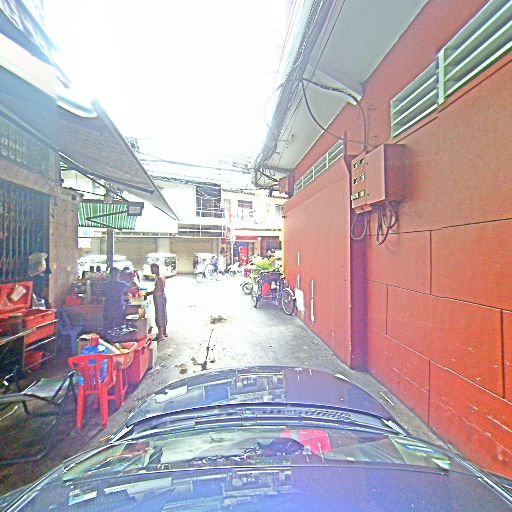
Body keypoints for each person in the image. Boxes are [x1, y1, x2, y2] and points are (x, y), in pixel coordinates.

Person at [145, 263, 167, 341]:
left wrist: (148, 293)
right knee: (163, 314)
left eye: (152, 269)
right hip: (161, 297)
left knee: (159, 315)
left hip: (159, 298)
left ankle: (161, 335)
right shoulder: (160, 277)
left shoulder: (159, 278)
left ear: (156, 268)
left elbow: (158, 290)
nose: (151, 270)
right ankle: (163, 332)